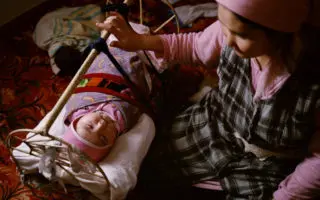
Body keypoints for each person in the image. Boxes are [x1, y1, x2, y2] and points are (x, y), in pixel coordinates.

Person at [96, 0, 320, 199]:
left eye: (242, 35)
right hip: (215, 126)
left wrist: (287, 195)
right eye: (223, 26)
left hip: (267, 166)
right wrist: (140, 41)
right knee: (148, 166)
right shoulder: (228, 34)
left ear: (279, 33)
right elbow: (194, 46)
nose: (228, 40)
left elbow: (317, 162)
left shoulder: (311, 83)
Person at [62, 35, 153, 162]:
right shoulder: (122, 120)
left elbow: (75, 93)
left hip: (98, 69)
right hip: (123, 75)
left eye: (90, 126)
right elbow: (136, 106)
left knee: (70, 58)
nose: (101, 125)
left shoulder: (75, 110)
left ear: (77, 121)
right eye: (104, 138)